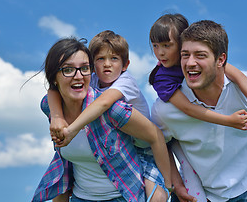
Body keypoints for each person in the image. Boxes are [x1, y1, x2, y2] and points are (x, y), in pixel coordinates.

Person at [151, 20, 247, 202]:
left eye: (200, 55)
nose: (191, 63)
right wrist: (176, 184)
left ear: (221, 59)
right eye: (185, 55)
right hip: (199, 193)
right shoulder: (166, 108)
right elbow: (159, 142)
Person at [31, 38, 172, 202]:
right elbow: (65, 165)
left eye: (84, 68)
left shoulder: (113, 109)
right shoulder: (51, 107)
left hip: (122, 196)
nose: (78, 76)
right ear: (54, 77)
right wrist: (56, 117)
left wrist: (168, 186)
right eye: (68, 70)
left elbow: (155, 136)